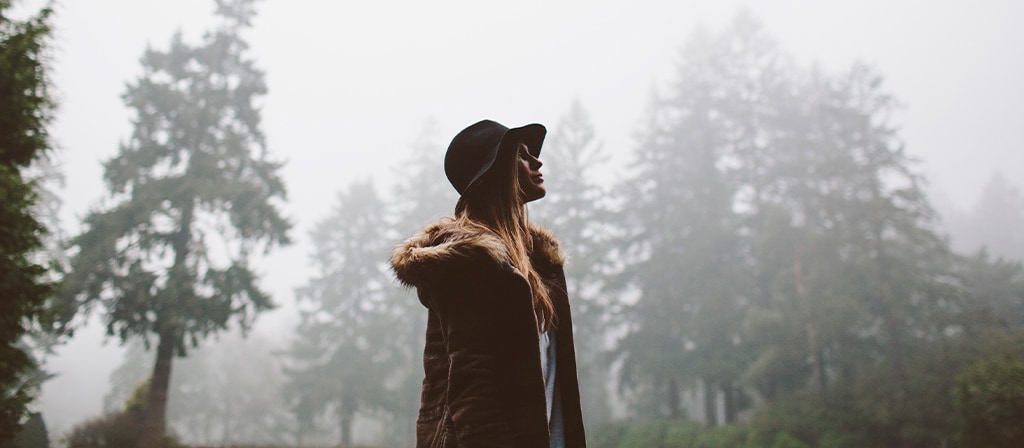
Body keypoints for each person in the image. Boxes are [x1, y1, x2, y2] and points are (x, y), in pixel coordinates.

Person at [391, 119, 587, 447]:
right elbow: (473, 391)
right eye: (522, 156)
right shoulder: (471, 264)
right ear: (495, 174)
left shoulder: (540, 265)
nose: (537, 162)